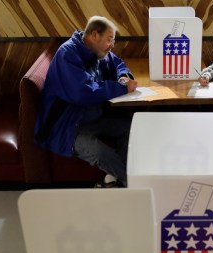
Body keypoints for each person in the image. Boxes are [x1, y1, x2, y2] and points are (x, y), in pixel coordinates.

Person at [34, 16, 138, 187]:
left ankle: (113, 181)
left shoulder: (96, 51)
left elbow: (117, 63)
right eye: (110, 39)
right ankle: (136, 185)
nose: (112, 45)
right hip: (67, 125)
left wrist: (123, 76)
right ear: (94, 35)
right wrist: (121, 88)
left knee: (129, 128)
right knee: (99, 152)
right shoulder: (68, 54)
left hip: (91, 118)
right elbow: (82, 93)